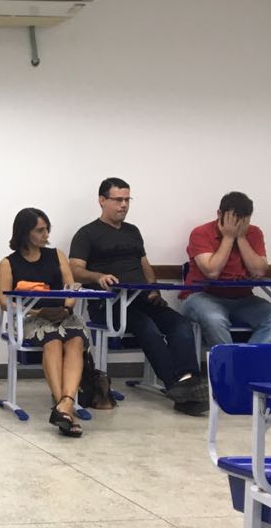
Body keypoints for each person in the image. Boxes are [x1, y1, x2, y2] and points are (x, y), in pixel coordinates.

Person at [69, 177, 207, 415]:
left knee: (181, 324)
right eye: (118, 200)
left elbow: (145, 265)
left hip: (142, 298)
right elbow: (74, 269)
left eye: (127, 199)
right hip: (111, 304)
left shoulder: (133, 232)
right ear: (102, 200)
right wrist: (98, 276)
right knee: (147, 328)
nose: (123, 205)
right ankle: (175, 386)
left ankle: (189, 381)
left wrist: (153, 288)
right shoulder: (86, 234)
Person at [0, 208, 89, 437]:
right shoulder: (8, 263)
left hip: (63, 314)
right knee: (53, 341)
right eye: (40, 230)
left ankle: (64, 405)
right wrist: (38, 311)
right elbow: (5, 302)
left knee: (76, 340)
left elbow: (70, 289)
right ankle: (63, 404)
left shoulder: (57, 255)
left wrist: (66, 308)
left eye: (47, 229)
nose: (46, 235)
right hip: (31, 318)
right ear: (25, 232)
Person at [180, 191, 271, 350]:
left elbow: (259, 271)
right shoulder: (201, 233)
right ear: (219, 214)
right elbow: (212, 272)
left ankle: (244, 362)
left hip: (243, 299)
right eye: (234, 220)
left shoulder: (254, 233)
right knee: (215, 319)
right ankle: (229, 364)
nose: (238, 227)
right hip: (202, 296)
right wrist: (229, 237)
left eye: (244, 222)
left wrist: (241, 238)